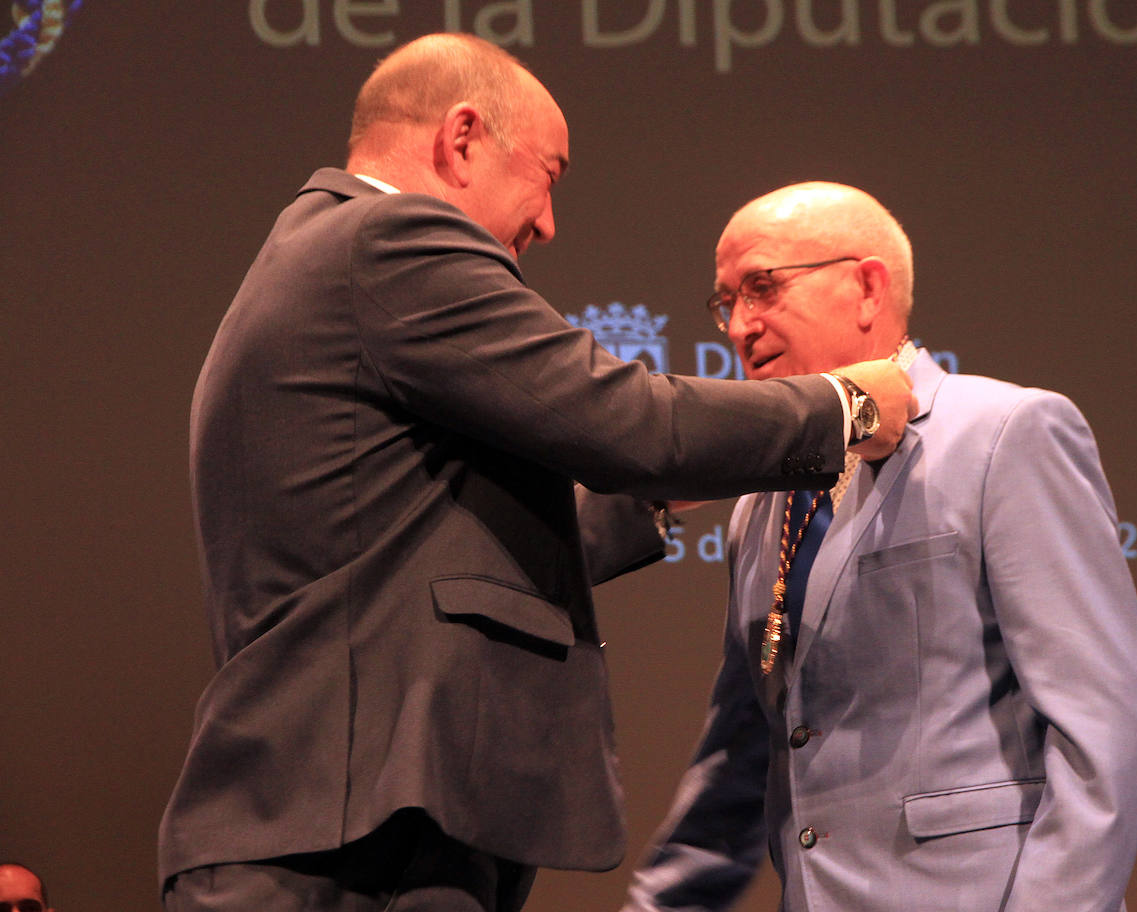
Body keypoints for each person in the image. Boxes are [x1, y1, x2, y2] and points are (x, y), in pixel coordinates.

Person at [157, 34, 913, 912]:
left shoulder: (326, 255)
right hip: (349, 838)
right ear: (463, 138)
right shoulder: (390, 237)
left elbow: (445, 555)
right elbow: (622, 418)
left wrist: (661, 493)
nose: (548, 222)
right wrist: (847, 406)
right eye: (548, 174)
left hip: (337, 821)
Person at [622, 182, 1137, 912]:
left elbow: (1103, 729)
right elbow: (743, 757)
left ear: (868, 288)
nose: (740, 326)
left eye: (763, 287)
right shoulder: (760, 502)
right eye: (727, 302)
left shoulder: (1006, 433)